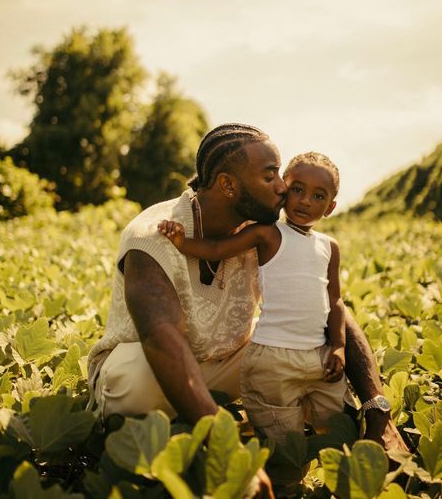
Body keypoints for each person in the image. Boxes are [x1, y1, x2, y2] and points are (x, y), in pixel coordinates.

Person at [87, 123, 406, 495]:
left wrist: (379, 411)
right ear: (228, 185)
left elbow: (331, 306)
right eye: (271, 175)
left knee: (309, 339)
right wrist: (228, 447)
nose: (283, 187)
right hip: (152, 368)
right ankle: (208, 422)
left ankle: (247, 414)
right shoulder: (151, 235)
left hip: (228, 358)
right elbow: (162, 340)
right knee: (136, 382)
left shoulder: (266, 232)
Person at [157, 151, 354, 450]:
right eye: (297, 189)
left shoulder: (330, 247)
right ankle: (281, 483)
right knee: (282, 442)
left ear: (330, 207)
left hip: (320, 358)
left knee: (341, 430)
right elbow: (215, 248)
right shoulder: (268, 234)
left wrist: (338, 345)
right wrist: (182, 242)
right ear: (284, 188)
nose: (304, 201)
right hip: (272, 358)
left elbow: (335, 300)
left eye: (318, 196)